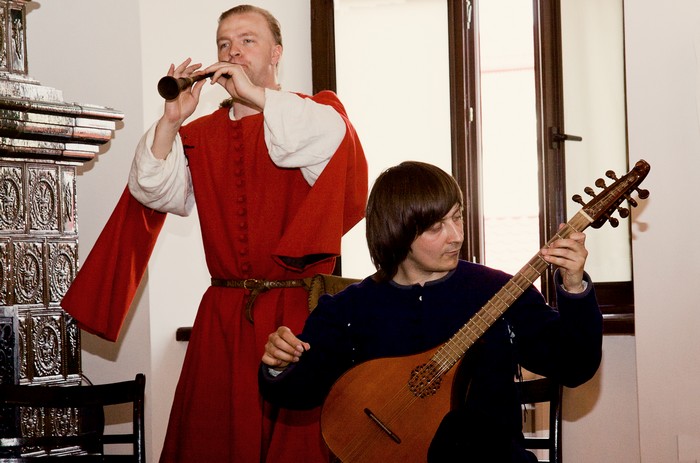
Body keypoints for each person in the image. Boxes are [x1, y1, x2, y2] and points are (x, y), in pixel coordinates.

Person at [61, 4, 367, 463]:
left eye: (247, 40)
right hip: (223, 319)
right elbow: (152, 190)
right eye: (224, 43)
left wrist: (256, 96)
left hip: (295, 315)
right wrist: (172, 120)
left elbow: (332, 144)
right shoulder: (199, 133)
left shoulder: (312, 116)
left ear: (277, 53)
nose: (233, 51)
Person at [259, 161, 602, 462]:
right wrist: (279, 366)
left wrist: (574, 287)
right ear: (397, 232)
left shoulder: (499, 290)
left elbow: (575, 365)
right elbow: (300, 391)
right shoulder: (350, 308)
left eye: (457, 217)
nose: (456, 236)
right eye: (436, 227)